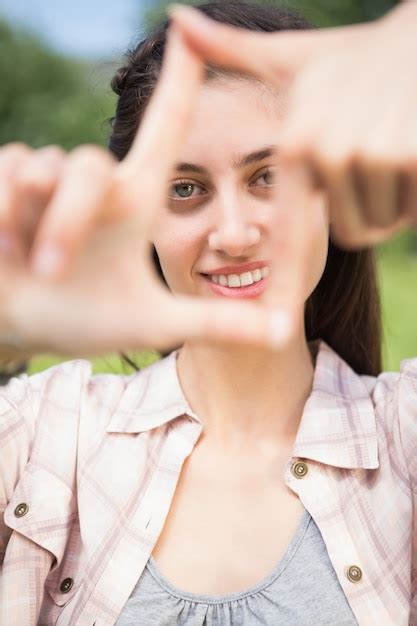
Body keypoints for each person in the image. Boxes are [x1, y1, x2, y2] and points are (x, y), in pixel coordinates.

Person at [0, 2, 415, 625]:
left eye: (267, 176)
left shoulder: (405, 435)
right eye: (185, 189)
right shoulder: (43, 435)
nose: (234, 233)